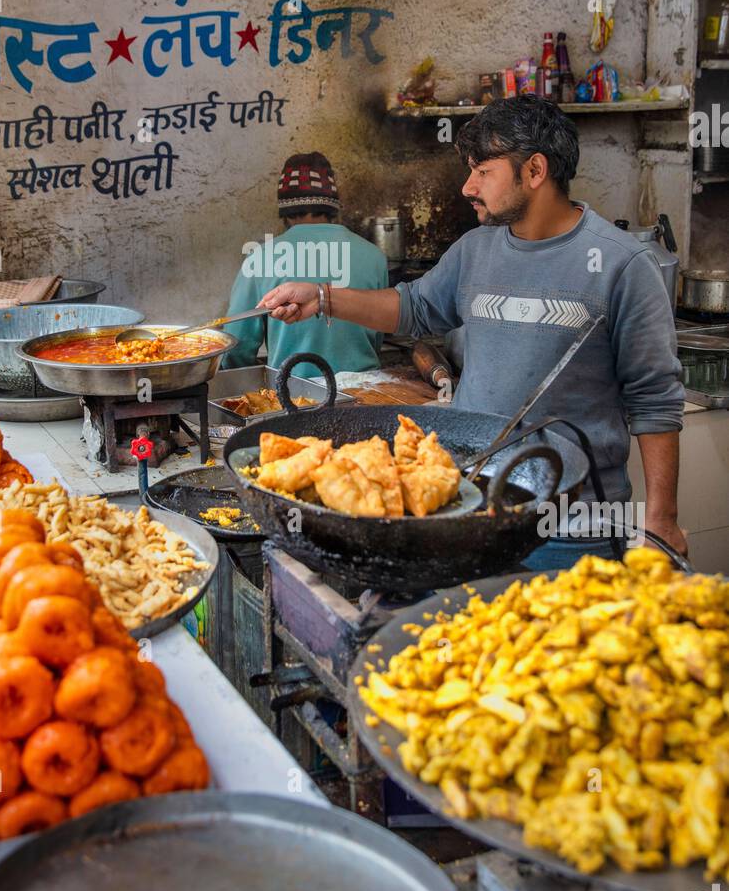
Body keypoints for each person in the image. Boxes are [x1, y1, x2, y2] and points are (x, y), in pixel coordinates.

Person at [259, 97, 687, 559]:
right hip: (471, 505)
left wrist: (661, 519)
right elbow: (414, 308)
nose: (467, 187)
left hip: (571, 526)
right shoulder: (475, 250)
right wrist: (323, 297)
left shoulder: (623, 264)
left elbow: (655, 398)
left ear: (535, 170)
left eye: (483, 171)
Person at [221, 152, 388, 380]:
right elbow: (379, 332)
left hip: (295, 398)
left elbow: (236, 346)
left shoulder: (260, 259)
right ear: (332, 206)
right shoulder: (374, 256)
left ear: (285, 210)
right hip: (367, 391)